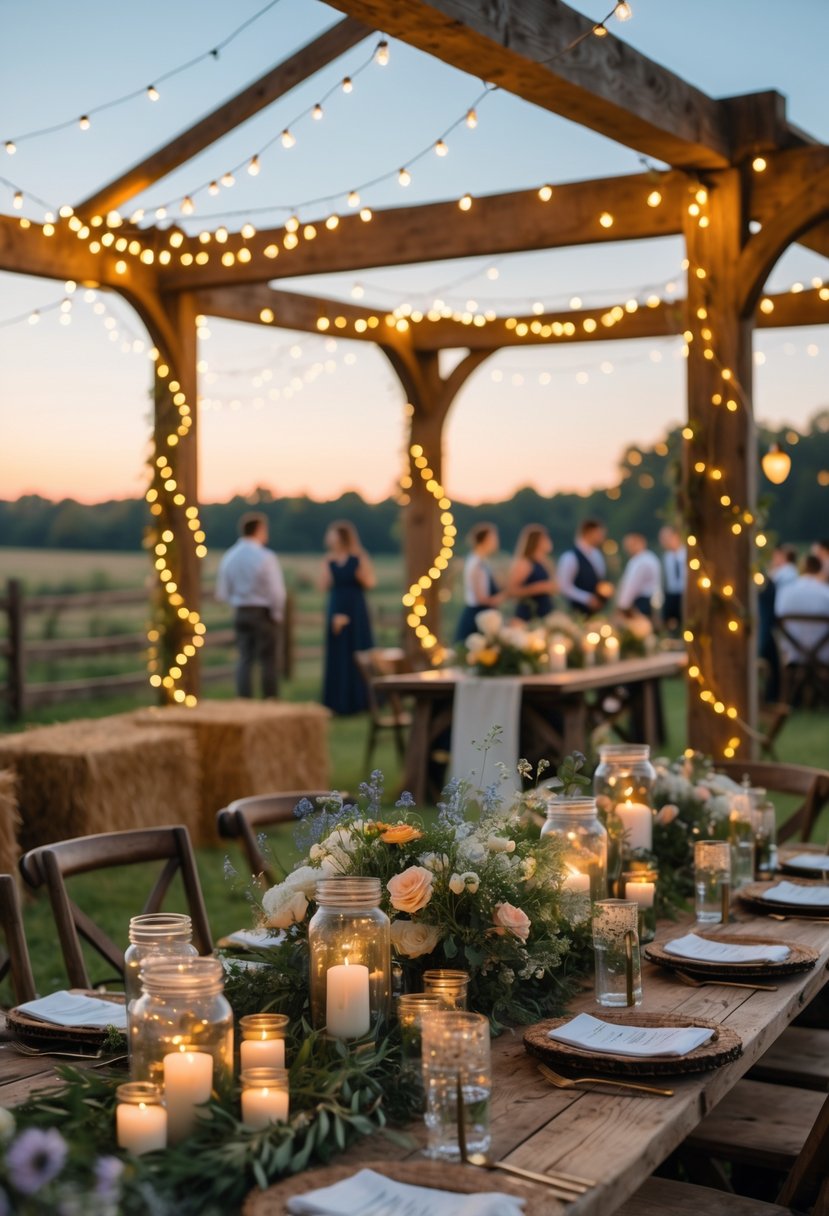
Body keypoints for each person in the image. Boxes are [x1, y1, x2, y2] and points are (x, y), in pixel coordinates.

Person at [216, 512, 286, 698]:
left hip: (241, 611)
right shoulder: (265, 557)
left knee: (244, 659)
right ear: (259, 530)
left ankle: (244, 700)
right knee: (268, 660)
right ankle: (270, 699)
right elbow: (276, 591)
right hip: (263, 613)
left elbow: (222, 591)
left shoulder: (230, 556)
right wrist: (277, 614)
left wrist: (237, 601)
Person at [321, 520, 375, 715]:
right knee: (338, 652)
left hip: (356, 608)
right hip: (337, 606)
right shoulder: (329, 560)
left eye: (332, 534)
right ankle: (337, 701)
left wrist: (358, 573)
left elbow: (370, 582)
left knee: (357, 649)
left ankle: (360, 700)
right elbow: (324, 585)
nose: (329, 538)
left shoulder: (359, 557)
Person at [758, 544, 799, 701]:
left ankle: (773, 693)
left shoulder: (783, 577)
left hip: (781, 634)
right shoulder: (788, 576)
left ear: (782, 556)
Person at [774, 554, 829, 667]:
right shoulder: (826, 593)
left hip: (793, 656)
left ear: (800, 570)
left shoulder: (785, 592)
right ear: (820, 570)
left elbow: (778, 616)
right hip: (824, 657)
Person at [455, 522, 504, 641]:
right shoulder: (476, 564)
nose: (496, 542)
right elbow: (480, 598)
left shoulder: (482, 561)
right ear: (485, 540)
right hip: (478, 617)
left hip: (483, 613)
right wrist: (502, 597)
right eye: (493, 538)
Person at [557, 519, 612, 616]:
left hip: (597, 611)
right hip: (576, 611)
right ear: (588, 533)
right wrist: (587, 598)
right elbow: (564, 586)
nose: (602, 537)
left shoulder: (597, 555)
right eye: (599, 534)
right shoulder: (570, 557)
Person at [506, 524, 556, 622]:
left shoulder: (545, 561)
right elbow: (511, 591)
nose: (548, 541)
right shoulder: (524, 563)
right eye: (545, 538)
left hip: (545, 612)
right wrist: (537, 588)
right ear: (536, 542)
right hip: (529, 615)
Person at [616, 532, 662, 618]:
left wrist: (622, 605)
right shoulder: (642, 559)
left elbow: (632, 585)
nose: (628, 549)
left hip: (642, 602)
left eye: (630, 545)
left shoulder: (643, 561)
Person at [659, 525, 686, 632]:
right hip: (671, 595)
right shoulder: (666, 557)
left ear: (676, 536)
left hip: (684, 593)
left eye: (666, 538)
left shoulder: (687, 554)